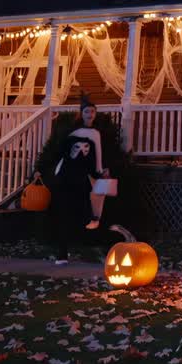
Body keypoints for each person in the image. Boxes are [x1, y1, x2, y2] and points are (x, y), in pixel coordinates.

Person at [49, 94, 109, 265]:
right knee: (64, 214)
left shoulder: (95, 134)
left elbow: (96, 157)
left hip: (81, 178)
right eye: (86, 111)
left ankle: (90, 241)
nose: (89, 114)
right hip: (66, 177)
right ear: (81, 114)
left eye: (92, 112)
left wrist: (99, 172)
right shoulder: (73, 133)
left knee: (85, 212)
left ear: (95, 114)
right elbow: (60, 153)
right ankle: (62, 253)